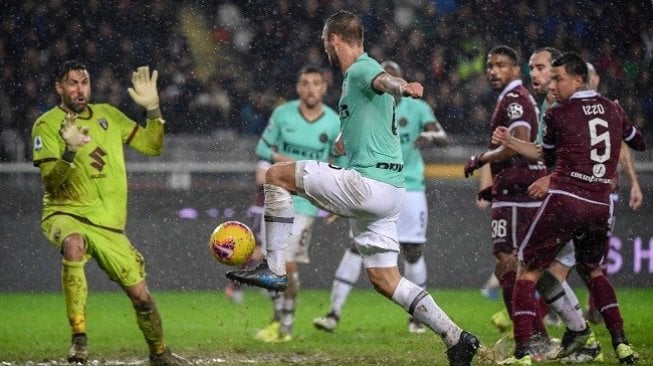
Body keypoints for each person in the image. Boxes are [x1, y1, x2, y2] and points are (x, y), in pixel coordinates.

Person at [227, 11, 479, 365]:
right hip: (390, 191)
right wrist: (346, 140)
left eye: (324, 44)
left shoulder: (361, 67)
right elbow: (372, 109)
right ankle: (456, 337)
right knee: (384, 279)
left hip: (368, 182)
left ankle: (275, 269)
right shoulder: (352, 82)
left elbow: (383, 81)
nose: (325, 51)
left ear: (333, 40)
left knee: (275, 176)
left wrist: (401, 86)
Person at [31, 60, 189, 365]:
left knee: (142, 297)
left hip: (110, 228)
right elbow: (51, 181)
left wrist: (154, 110)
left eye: (84, 82)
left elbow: (152, 146)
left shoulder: (108, 116)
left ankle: (159, 353)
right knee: (73, 243)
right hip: (66, 213)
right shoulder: (46, 124)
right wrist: (69, 150)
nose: (80, 89)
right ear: (59, 88)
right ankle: (79, 339)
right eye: (72, 83)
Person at [492, 52, 646, 365]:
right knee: (594, 271)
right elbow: (638, 141)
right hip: (601, 203)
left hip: (566, 200)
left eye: (559, 78)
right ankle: (621, 345)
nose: (553, 83)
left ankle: (524, 352)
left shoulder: (558, 113)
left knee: (527, 269)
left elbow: (547, 159)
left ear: (578, 79)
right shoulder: (613, 108)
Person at [312, 60, 448, 335]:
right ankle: (334, 312)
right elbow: (337, 148)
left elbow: (442, 135)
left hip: (409, 187)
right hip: (372, 184)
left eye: (392, 77)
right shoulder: (367, 108)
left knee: (412, 252)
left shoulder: (417, 108)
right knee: (355, 246)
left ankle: (417, 318)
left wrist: (429, 136)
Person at [462, 45, 553, 354]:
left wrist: (480, 158)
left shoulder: (514, 99)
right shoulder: (516, 97)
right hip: (513, 189)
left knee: (509, 264)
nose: (493, 70)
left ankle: (536, 338)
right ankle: (536, 334)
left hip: (518, 194)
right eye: (490, 65)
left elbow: (519, 143)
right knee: (515, 267)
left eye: (501, 65)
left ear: (516, 70)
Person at [249, 66, 341, 343]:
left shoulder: (334, 123)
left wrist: (337, 202)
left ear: (324, 88)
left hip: (305, 206)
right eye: (305, 83)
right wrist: (283, 161)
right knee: (272, 264)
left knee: (286, 263)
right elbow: (262, 149)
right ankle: (279, 320)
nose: (311, 88)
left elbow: (341, 165)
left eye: (316, 83)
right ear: (298, 88)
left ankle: (285, 326)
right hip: (276, 200)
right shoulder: (283, 114)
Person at [224, 160, 270, 304]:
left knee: (270, 251)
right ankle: (234, 286)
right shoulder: (268, 159)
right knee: (257, 251)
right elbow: (261, 181)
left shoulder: (287, 159)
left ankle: (265, 283)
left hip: (276, 211)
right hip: (262, 211)